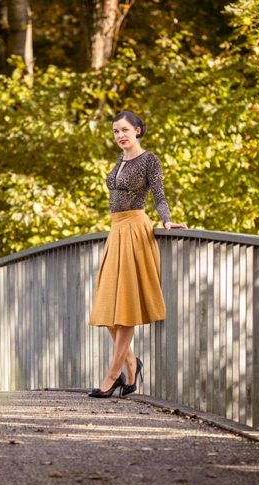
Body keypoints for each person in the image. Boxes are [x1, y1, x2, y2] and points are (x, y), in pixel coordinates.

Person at [88, 111, 187, 398]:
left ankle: (111, 375)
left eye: (125, 130)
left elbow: (160, 195)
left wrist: (167, 220)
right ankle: (132, 364)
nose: (120, 136)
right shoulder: (120, 160)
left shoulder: (149, 160)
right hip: (116, 231)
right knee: (106, 307)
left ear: (138, 131)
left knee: (126, 308)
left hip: (135, 230)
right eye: (116, 131)